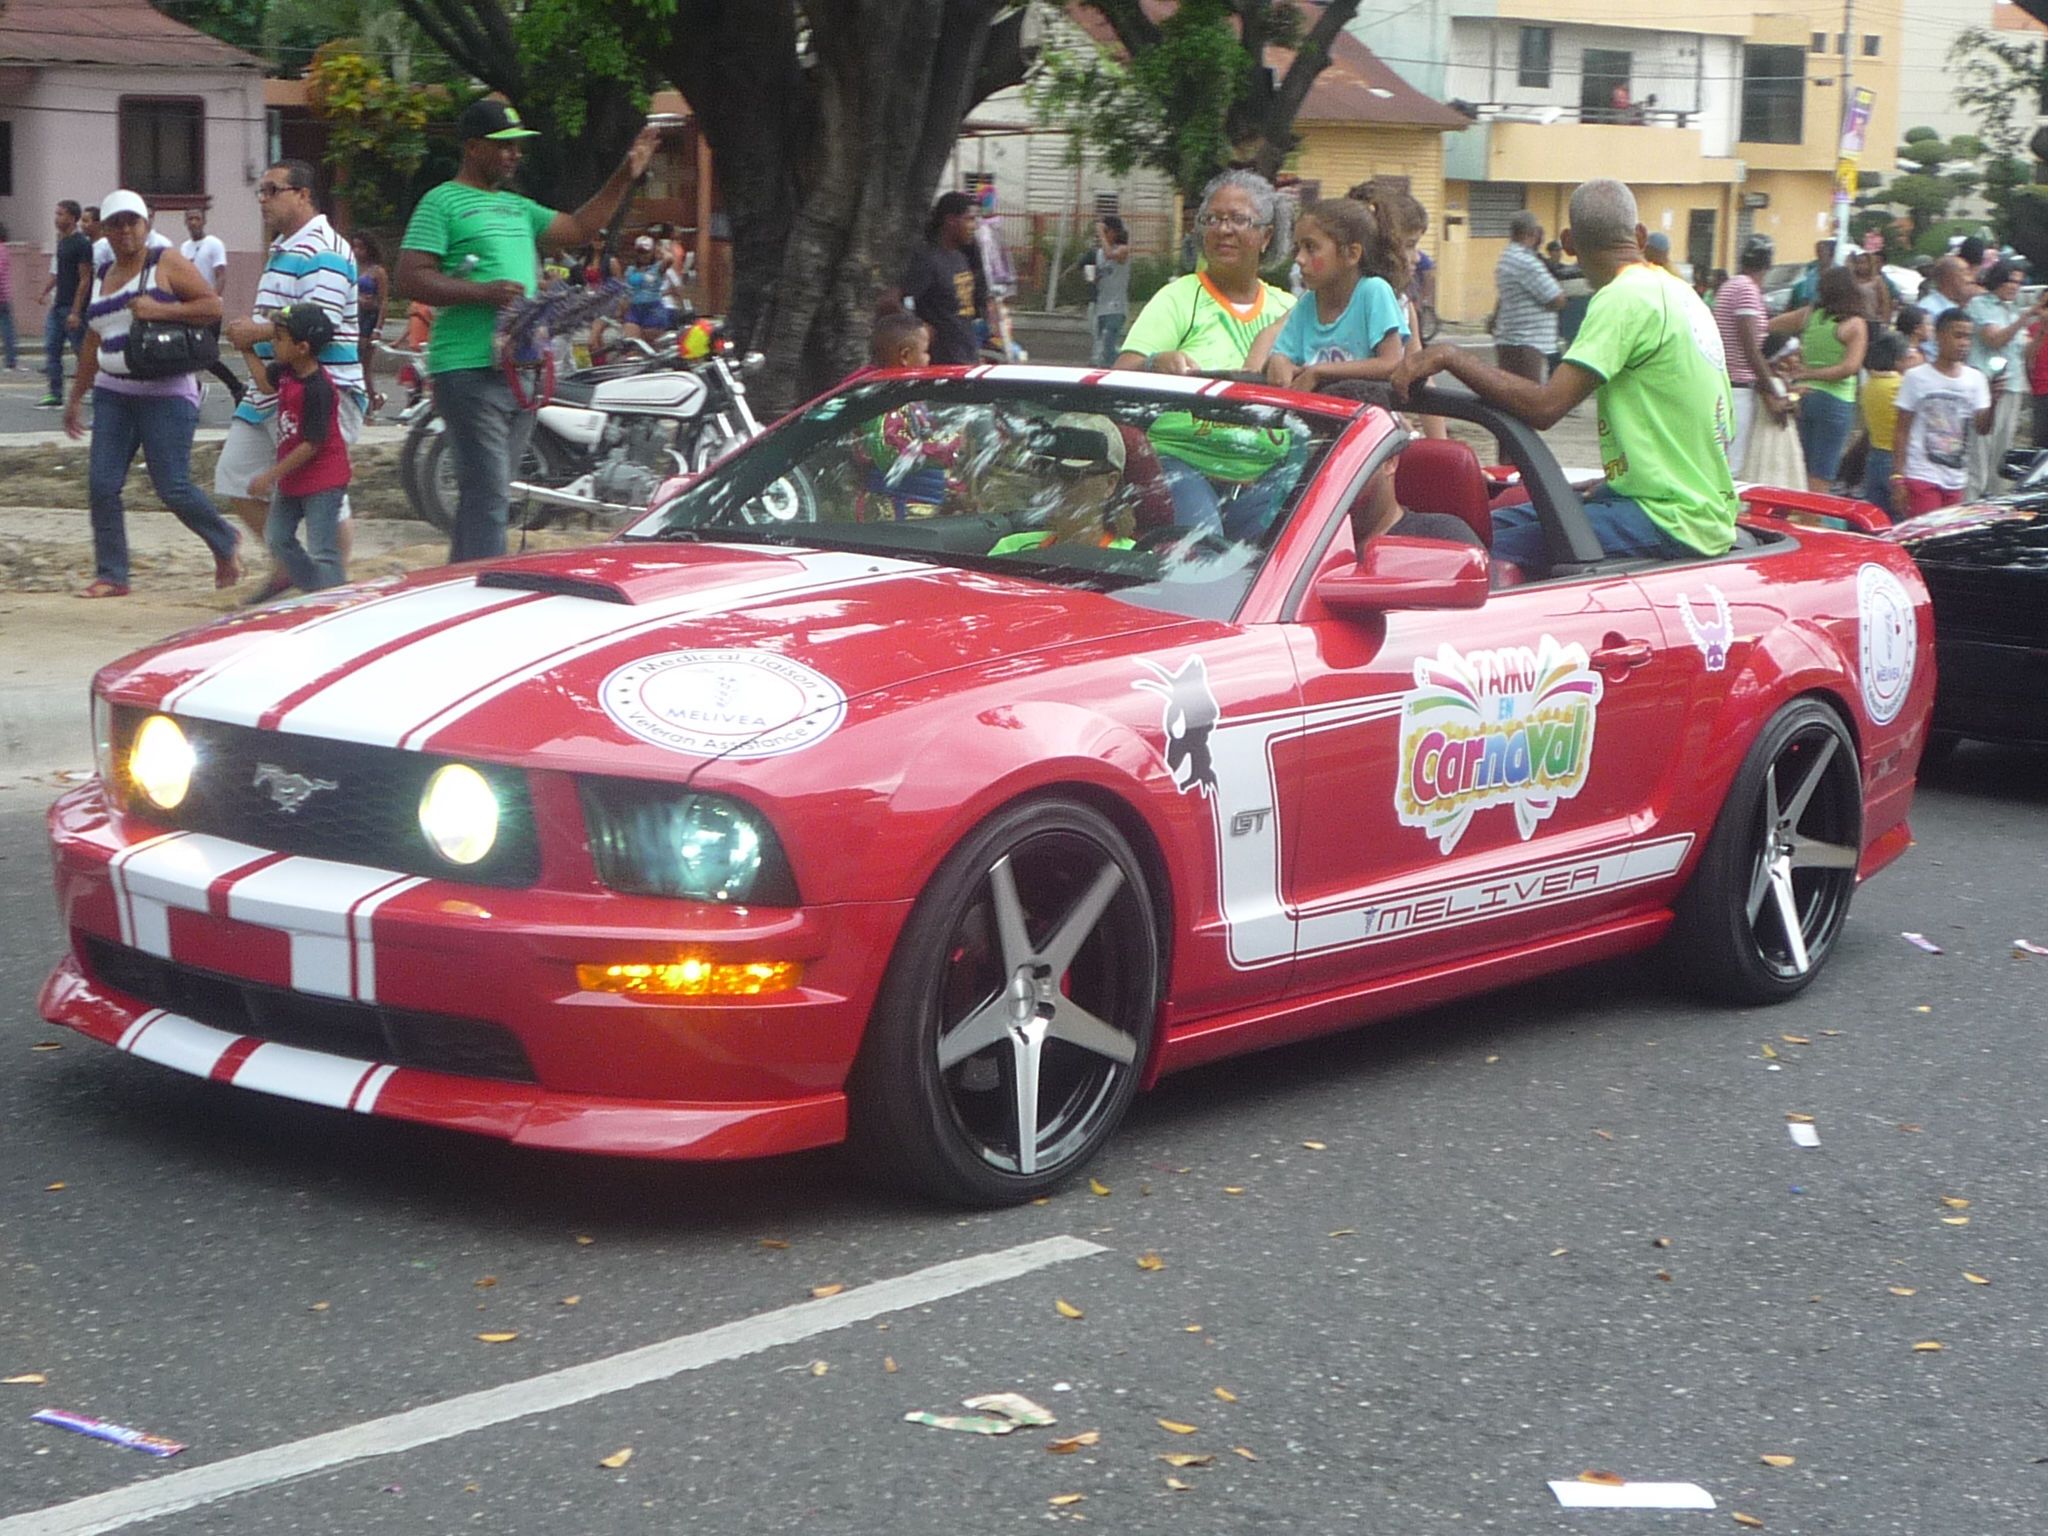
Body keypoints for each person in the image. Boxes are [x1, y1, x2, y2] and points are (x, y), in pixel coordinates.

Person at [1392, 178, 1739, 574]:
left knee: (1469, 556)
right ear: (1640, 236)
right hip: (1681, 505)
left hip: (1672, 519)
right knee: (1475, 527)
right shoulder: (1681, 293)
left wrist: (1451, 357)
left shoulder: (1623, 296)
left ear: (1569, 243)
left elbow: (1545, 407)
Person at [397, 97, 660, 563]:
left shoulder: (518, 207)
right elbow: (411, 276)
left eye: (519, 146)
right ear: (473, 147)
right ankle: (481, 593)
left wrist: (625, 174)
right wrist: (483, 293)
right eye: (505, 146)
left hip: (521, 370)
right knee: (491, 492)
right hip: (468, 367)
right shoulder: (441, 202)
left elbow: (579, 227)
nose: (516, 154)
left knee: (493, 493)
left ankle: (465, 586)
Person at [64, 190, 242, 599]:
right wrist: (76, 396)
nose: (125, 230)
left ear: (147, 223)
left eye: (133, 221)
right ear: (105, 230)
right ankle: (113, 573)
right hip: (113, 394)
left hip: (167, 393)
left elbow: (211, 306)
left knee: (172, 486)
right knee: (102, 485)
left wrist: (162, 310)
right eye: (115, 223)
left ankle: (224, 540)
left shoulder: (166, 261)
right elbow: (94, 338)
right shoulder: (104, 269)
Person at [217, 160, 362, 603]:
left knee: (323, 489)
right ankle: (295, 569)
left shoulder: (324, 247)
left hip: (322, 387)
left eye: (272, 190)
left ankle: (326, 583)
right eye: (260, 191)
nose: (262, 198)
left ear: (302, 194)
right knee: (235, 475)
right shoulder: (287, 247)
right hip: (277, 387)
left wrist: (255, 331)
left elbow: (320, 322)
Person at [1118, 170, 1293, 374]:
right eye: (1212, 219)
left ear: (1266, 237)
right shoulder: (1178, 299)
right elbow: (1121, 374)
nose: (1223, 230)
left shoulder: (1288, 310)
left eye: (1238, 219)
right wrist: (1153, 364)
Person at [246, 304, 352, 592]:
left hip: (323, 479)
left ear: (302, 347)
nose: (273, 342)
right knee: (277, 536)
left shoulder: (318, 388)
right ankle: (310, 587)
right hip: (294, 479)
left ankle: (332, 600)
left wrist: (270, 475)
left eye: (279, 338)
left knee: (322, 549)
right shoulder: (285, 370)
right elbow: (266, 384)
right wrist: (246, 351)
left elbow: (312, 444)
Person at [1263, 198, 1406, 393]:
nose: (1299, 259)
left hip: (1364, 417)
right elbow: (1283, 354)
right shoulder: (1307, 303)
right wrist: (1277, 361)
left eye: (1311, 248)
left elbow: (1391, 363)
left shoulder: (1373, 292)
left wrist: (1320, 372)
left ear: (1352, 254)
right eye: (1297, 249)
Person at [1892, 309, 1992, 518]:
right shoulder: (1916, 377)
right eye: (1958, 335)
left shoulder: (1976, 379)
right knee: (1924, 537)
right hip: (1922, 475)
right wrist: (1898, 476)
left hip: (1956, 477)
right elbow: (1902, 429)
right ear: (1938, 336)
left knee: (1947, 540)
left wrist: (1996, 400)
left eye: (1968, 337)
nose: (1964, 343)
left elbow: (1982, 428)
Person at [1791, 266, 1868, 493]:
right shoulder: (1854, 324)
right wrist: (1809, 373)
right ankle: (1810, 523)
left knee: (1803, 468)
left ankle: (1796, 519)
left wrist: (1794, 365)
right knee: (1822, 474)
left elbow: (1769, 326)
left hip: (1803, 396)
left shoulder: (1808, 315)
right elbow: (1849, 368)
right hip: (1836, 401)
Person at [1964, 261, 2037, 496]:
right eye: (2011, 280)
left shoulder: (2012, 309)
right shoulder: (1980, 304)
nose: (2015, 286)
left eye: (2019, 282)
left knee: (2001, 454)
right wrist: (2026, 317)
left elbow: (2026, 352)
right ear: (1998, 279)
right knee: (1979, 452)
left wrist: (2042, 328)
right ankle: (1969, 504)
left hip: (2013, 385)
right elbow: (1994, 339)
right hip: (1987, 386)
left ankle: (1993, 506)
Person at [1714, 234, 1781, 473]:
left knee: (1721, 460)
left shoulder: (1730, 285)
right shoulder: (1746, 290)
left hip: (1723, 383)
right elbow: (1750, 348)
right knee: (1731, 466)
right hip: (1738, 389)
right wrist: (1774, 391)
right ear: (1768, 264)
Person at [898, 192, 987, 367]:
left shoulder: (961, 258)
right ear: (951, 220)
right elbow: (892, 301)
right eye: (969, 219)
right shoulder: (928, 260)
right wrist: (919, 328)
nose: (974, 226)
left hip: (966, 358)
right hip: (942, 362)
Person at [1492, 209, 1564, 382]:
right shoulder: (1527, 262)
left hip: (1512, 337)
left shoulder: (1507, 257)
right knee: (1526, 400)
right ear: (1532, 233)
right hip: (1527, 342)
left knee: (1510, 398)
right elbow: (1557, 298)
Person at [38, 201, 91, 407]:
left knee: (82, 351)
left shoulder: (82, 244)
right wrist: (44, 292)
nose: (56, 218)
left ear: (72, 218)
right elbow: (59, 273)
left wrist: (76, 311)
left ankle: (96, 389)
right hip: (58, 306)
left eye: (61, 214)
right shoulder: (62, 242)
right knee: (52, 349)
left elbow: (84, 278)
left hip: (72, 308)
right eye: (56, 214)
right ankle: (55, 393)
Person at [1859, 329, 1907, 511]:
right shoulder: (1900, 385)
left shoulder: (1869, 385)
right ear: (1898, 360)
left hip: (1875, 457)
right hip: (1896, 460)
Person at [1084, 215, 1131, 369]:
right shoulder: (1099, 254)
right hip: (1102, 306)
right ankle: (1120, 363)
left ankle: (1129, 363)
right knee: (1100, 349)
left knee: (1108, 346)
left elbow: (1110, 255)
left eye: (1107, 231)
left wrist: (1101, 233)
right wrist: (1093, 277)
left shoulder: (1122, 250)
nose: (1104, 234)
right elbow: (1102, 274)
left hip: (1116, 307)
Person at [352, 232, 389, 416]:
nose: (357, 251)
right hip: (355, 317)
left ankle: (372, 400)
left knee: (364, 364)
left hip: (369, 319)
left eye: (361, 247)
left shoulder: (377, 272)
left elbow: (383, 301)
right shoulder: (352, 267)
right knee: (354, 362)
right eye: (355, 247)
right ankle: (369, 399)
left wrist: (378, 329)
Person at [622, 234, 668, 338]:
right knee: (630, 345)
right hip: (634, 309)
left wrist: (660, 250)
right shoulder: (630, 270)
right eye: (640, 252)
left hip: (653, 309)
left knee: (651, 347)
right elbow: (625, 292)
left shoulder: (657, 268)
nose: (643, 255)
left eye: (646, 252)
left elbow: (669, 259)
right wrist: (621, 312)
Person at [180, 208, 227, 295]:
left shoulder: (214, 244)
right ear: (186, 223)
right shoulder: (184, 247)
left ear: (204, 221)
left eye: (197, 219)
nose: (194, 222)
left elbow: (221, 275)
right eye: (190, 219)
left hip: (208, 299)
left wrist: (214, 298)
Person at [1916, 255, 1971, 323]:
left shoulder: (1968, 305)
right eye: (1965, 273)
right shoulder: (1929, 310)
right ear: (1949, 277)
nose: (1970, 279)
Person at [1787, 238, 1836, 311]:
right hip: (1814, 312)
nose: (1819, 253)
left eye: (1822, 250)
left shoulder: (1839, 271)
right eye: (1817, 250)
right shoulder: (1811, 274)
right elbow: (1806, 298)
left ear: (1830, 252)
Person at [1894, 304, 1933, 369]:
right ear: (1917, 329)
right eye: (1928, 324)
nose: (1932, 328)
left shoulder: (1919, 352)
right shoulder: (1912, 358)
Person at [0, 222, 14, 371]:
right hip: (4, 295)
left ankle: (10, 359)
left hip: (1, 296)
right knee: (7, 328)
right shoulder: (3, 249)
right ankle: (10, 359)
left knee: (7, 329)